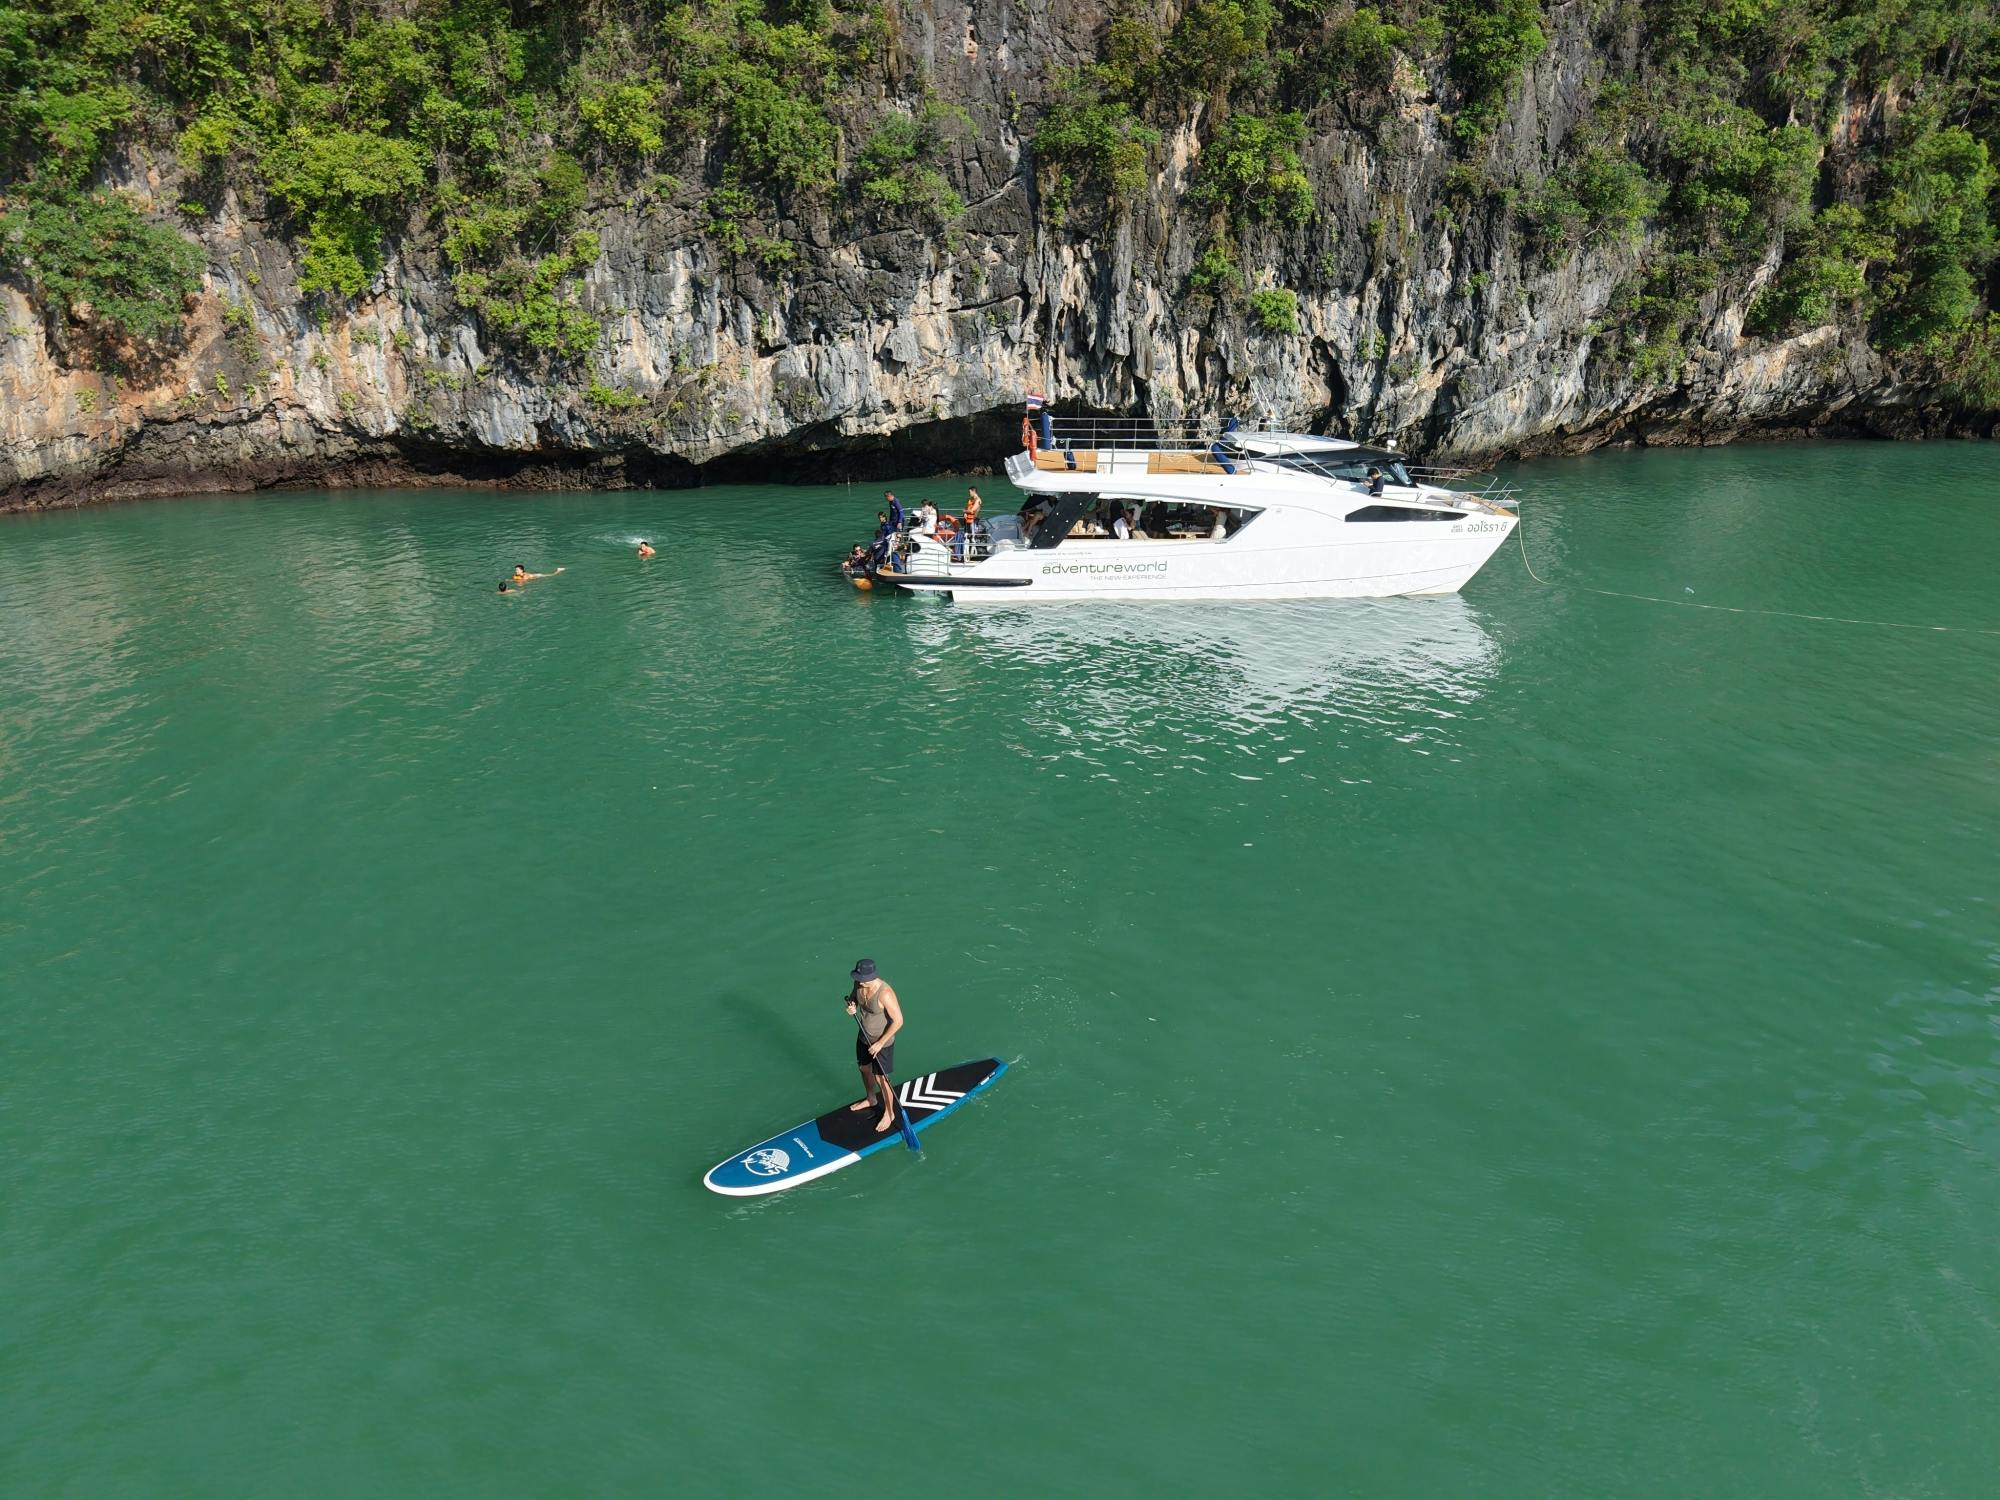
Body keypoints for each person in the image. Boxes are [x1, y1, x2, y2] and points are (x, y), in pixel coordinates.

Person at [845, 959, 904, 1134]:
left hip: (882, 1043)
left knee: (882, 1079)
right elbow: (853, 999)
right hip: (864, 1036)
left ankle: (890, 1113)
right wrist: (852, 1006)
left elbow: (899, 1021)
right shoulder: (859, 984)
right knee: (864, 1068)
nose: (858, 981)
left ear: (871, 976)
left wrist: (880, 1043)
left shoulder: (885, 993)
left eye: (862, 978)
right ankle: (871, 1098)